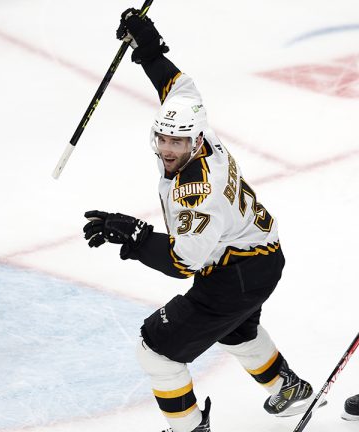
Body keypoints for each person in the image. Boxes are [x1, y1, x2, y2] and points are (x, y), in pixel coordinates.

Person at [81, 10, 320, 432]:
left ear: (194, 140)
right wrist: (150, 48)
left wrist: (135, 237)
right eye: (164, 138)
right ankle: (288, 388)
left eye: (178, 142)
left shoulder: (198, 196)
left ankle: (190, 428)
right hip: (259, 257)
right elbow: (178, 89)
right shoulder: (199, 130)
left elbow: (182, 263)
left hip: (236, 274)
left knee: (155, 351)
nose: (169, 149)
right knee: (236, 330)